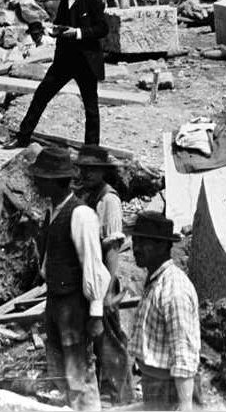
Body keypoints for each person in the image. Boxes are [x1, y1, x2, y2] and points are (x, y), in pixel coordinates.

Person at [31, 146, 111, 411]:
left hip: (74, 306)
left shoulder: (81, 215)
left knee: (79, 373)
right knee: (59, 371)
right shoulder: (52, 212)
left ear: (54, 181)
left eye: (40, 178)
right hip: (55, 301)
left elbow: (93, 266)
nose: (36, 182)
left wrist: (96, 314)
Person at [10, 0, 109, 147]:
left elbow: (102, 28)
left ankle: (92, 150)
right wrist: (53, 31)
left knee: (91, 107)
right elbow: (61, 25)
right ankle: (23, 138)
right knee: (41, 95)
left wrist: (78, 33)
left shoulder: (94, 1)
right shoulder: (64, 0)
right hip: (64, 61)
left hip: (86, 62)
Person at [75, 146, 133, 405]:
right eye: (83, 169)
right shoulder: (88, 195)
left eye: (92, 169)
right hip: (89, 278)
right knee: (95, 340)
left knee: (109, 340)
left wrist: (109, 290)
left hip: (104, 280)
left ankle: (121, 398)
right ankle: (101, 394)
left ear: (102, 172)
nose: (86, 174)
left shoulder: (109, 200)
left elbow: (112, 248)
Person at [128, 211, 200, 412]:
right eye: (135, 241)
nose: (136, 248)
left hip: (171, 389)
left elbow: (183, 348)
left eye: (143, 243)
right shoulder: (155, 280)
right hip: (156, 384)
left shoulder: (173, 288)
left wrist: (185, 404)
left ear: (161, 246)